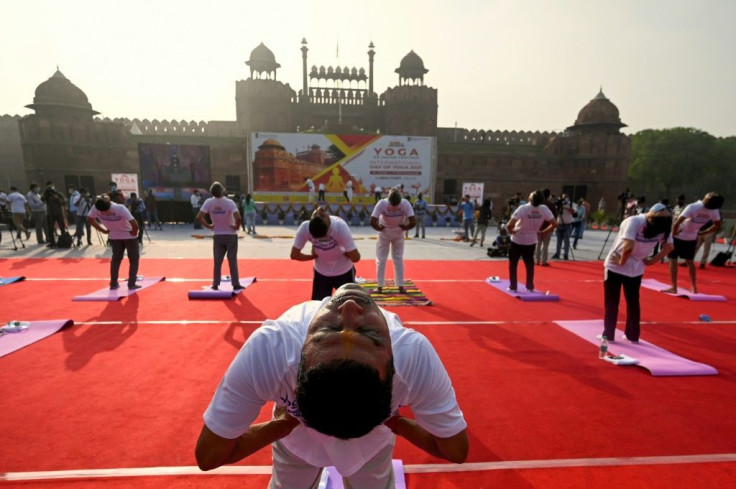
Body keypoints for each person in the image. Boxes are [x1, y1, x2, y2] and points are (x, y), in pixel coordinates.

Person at [195, 283, 469, 487]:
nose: (349, 307)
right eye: (370, 334)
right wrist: (394, 422)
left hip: (336, 432)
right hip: (356, 430)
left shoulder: (272, 351)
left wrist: (284, 423)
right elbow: (454, 449)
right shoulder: (411, 356)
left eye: (327, 332)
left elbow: (211, 455)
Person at [602, 203, 674, 343]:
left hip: (615, 267)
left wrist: (621, 261)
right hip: (636, 269)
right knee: (633, 302)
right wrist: (651, 261)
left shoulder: (634, 221)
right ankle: (633, 335)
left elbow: (628, 246)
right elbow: (669, 247)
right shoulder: (664, 227)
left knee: (611, 302)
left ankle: (608, 335)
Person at [291, 207, 361, 300]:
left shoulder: (339, 226)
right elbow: (294, 255)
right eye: (320, 215)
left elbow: (356, 258)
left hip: (343, 272)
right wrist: (343, 251)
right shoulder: (306, 227)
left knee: (347, 307)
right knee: (318, 307)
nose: (319, 211)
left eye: (321, 214)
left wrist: (313, 255)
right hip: (322, 273)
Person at [663, 192, 724, 294]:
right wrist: (704, 232)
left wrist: (673, 235)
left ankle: (674, 287)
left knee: (673, 260)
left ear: (707, 198)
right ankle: (694, 287)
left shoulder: (694, 207)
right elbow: (717, 225)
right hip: (692, 237)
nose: (710, 193)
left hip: (679, 235)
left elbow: (677, 223)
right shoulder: (714, 210)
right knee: (690, 262)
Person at [197, 182, 245, 291]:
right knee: (232, 260)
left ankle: (215, 284)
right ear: (222, 190)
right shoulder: (229, 202)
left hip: (218, 234)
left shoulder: (208, 202)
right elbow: (238, 218)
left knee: (217, 261)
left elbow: (199, 217)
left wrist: (209, 226)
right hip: (230, 234)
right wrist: (236, 227)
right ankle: (235, 284)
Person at [506, 190, 556, 292]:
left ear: (530, 198)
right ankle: (530, 287)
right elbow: (554, 224)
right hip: (531, 240)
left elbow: (509, 225)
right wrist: (543, 232)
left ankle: (513, 287)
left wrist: (512, 231)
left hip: (517, 240)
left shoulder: (523, 208)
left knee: (513, 264)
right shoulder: (544, 209)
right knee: (529, 265)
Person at [87, 196, 140, 290]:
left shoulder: (96, 207)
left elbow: (90, 219)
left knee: (116, 259)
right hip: (128, 236)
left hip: (114, 236)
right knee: (134, 259)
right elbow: (134, 223)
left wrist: (102, 230)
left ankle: (113, 283)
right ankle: (131, 284)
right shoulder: (119, 208)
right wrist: (134, 233)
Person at [370, 188, 415, 294]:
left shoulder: (382, 203)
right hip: (398, 232)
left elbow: (372, 221)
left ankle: (380, 287)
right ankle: (400, 287)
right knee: (398, 259)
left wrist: (379, 228)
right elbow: (413, 221)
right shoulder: (404, 203)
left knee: (381, 260)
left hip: (384, 232)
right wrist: (405, 227)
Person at [535, 188, 557, 266]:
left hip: (538, 227)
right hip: (548, 227)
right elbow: (555, 216)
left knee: (538, 244)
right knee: (545, 246)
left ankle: (536, 260)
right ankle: (544, 261)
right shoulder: (551, 204)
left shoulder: (538, 204)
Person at [41, 181, 67, 248]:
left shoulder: (58, 193)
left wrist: (56, 198)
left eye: (51, 185)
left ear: (53, 185)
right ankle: (52, 242)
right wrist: (45, 193)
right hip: (50, 214)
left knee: (62, 228)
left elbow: (63, 202)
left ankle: (64, 240)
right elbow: (42, 199)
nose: (50, 187)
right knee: (50, 229)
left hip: (58, 213)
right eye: (48, 186)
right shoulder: (46, 194)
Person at [551, 194, 574, 260]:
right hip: (559, 224)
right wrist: (558, 206)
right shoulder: (559, 204)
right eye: (563, 198)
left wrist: (564, 207)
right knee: (559, 241)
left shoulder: (571, 204)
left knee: (566, 241)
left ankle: (566, 255)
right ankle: (557, 253)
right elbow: (555, 213)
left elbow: (573, 212)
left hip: (567, 225)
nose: (564, 199)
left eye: (566, 197)